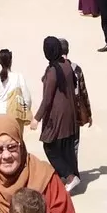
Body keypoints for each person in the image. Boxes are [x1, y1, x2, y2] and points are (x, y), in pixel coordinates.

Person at [36, 36, 82, 188]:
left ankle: (69, 177)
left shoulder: (52, 71)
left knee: (49, 146)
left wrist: (36, 118)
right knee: (65, 146)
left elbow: (47, 99)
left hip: (57, 115)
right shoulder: (67, 65)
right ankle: (70, 174)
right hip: (70, 113)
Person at [0, 47, 30, 128]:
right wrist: (26, 112)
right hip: (14, 117)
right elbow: (27, 99)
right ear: (11, 61)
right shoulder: (19, 77)